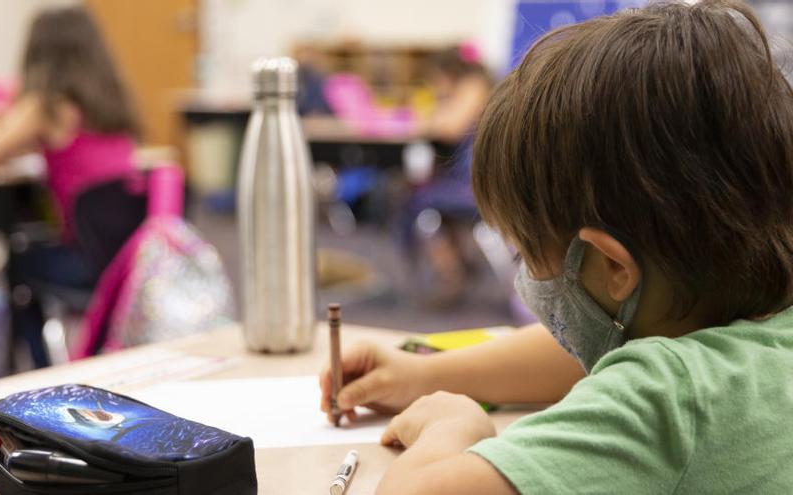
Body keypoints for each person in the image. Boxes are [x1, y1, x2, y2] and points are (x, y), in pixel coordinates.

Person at [320, 0, 793, 492]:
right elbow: (577, 354)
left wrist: (451, 428)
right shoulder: (749, 330)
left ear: (613, 265)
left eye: (528, 253)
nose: (528, 274)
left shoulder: (668, 397)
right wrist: (423, 374)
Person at [0, 6, 141, 367]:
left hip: (86, 261)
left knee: (17, 262)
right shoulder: (113, 102)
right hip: (129, 258)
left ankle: (39, 368)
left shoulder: (46, 105)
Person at [397, 44, 493, 307]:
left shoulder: (474, 86)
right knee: (424, 198)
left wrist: (430, 113)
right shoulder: (473, 86)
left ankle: (451, 274)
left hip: (476, 186)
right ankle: (458, 266)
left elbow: (450, 127)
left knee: (418, 201)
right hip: (469, 182)